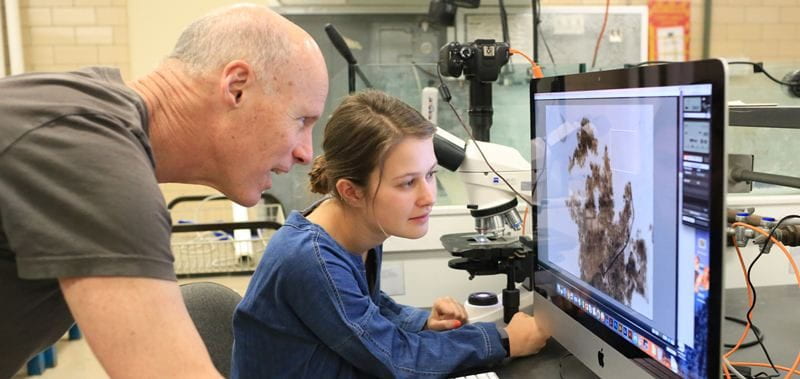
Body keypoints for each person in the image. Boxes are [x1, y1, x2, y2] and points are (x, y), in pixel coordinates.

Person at [0, 4, 328, 378]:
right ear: (237, 88)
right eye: (302, 120)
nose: (307, 153)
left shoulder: (84, 115)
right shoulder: (90, 151)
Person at [231, 90, 548, 378]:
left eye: (430, 174)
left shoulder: (356, 228)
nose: (429, 196)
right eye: (408, 182)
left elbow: (364, 308)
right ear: (352, 192)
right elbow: (396, 358)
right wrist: (505, 341)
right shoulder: (311, 260)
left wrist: (421, 322)